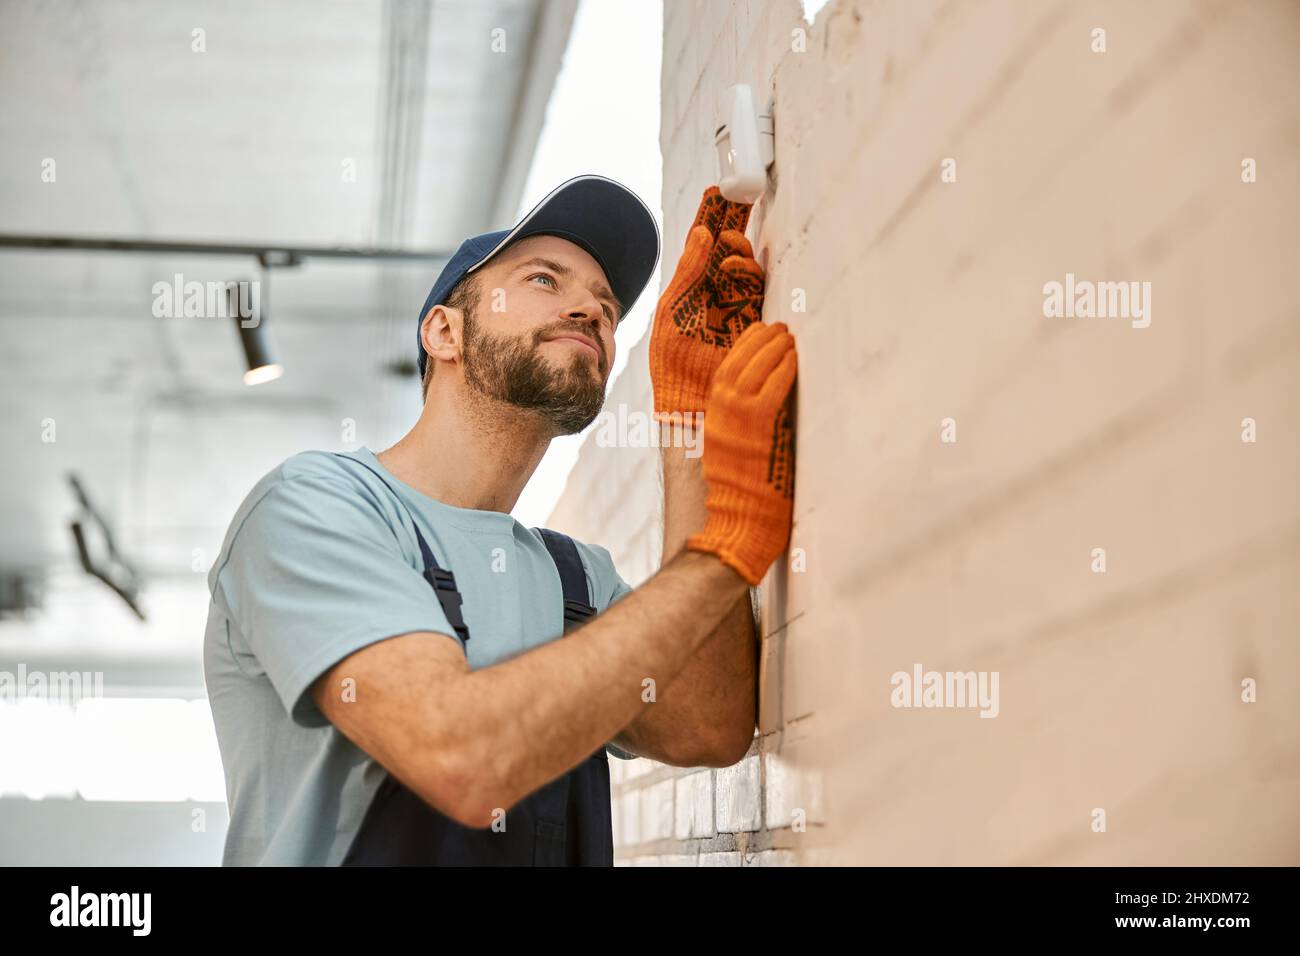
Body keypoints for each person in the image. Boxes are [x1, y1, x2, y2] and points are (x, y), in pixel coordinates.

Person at [202, 174, 798, 865]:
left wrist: (689, 432)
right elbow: (458, 757)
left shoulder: (574, 578)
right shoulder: (316, 507)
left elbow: (709, 726)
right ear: (444, 331)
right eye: (545, 279)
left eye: (606, 304)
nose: (590, 309)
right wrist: (722, 557)